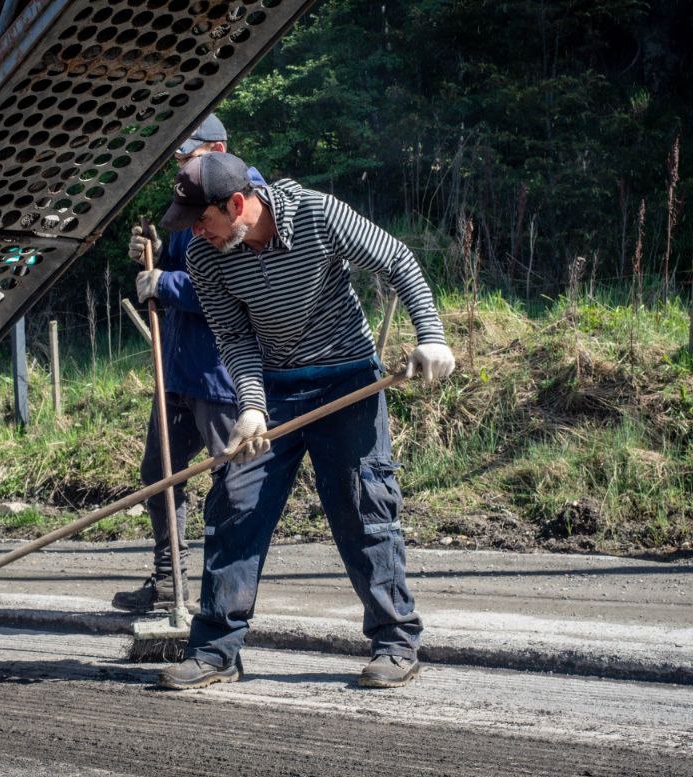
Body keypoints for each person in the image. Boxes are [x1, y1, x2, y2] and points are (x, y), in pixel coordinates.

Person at [155, 152, 455, 690]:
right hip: (275, 389)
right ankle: (216, 650)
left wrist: (431, 336)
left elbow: (399, 262)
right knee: (235, 505)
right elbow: (236, 338)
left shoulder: (316, 214)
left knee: (363, 506)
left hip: (349, 381)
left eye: (202, 218)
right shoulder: (206, 256)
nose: (195, 231)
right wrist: (250, 404)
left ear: (239, 203)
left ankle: (395, 641)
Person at [111, 115, 264, 613]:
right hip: (179, 366)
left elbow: (230, 286)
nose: (179, 166)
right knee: (160, 472)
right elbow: (182, 264)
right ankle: (166, 578)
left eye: (186, 156)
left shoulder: (242, 202)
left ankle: (226, 592)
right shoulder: (192, 199)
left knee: (233, 483)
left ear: (217, 147)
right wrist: (154, 256)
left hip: (221, 371)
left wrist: (165, 285)